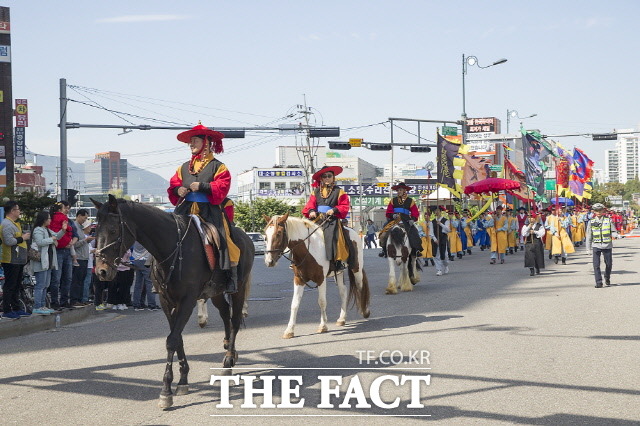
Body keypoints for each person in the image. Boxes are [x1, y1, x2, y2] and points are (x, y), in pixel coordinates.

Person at [167, 122, 240, 294]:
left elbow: (222, 187)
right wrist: (179, 189)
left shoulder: (218, 166)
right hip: (185, 209)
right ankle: (161, 273)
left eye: (194, 141)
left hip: (209, 210)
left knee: (224, 239)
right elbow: (173, 185)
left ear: (205, 143)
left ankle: (230, 278)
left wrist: (203, 186)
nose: (191, 145)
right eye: (190, 142)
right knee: (168, 233)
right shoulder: (183, 167)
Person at [302, 165, 352, 271]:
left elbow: (344, 205)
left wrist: (334, 210)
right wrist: (311, 211)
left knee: (334, 236)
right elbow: (310, 204)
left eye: (329, 176)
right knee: (301, 232)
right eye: (325, 176)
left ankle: (337, 261)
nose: (327, 178)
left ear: (333, 177)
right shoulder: (315, 191)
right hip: (316, 218)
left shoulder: (339, 191)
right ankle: (298, 260)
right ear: (321, 178)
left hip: (331, 219)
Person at [1, 201, 32, 319]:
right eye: (18, 209)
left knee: (17, 285)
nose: (19, 212)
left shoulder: (14, 224)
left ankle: (16, 308)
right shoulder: (7, 224)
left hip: (18, 259)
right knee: (10, 285)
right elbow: (8, 241)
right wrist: (22, 238)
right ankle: (7, 310)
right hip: (10, 259)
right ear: (12, 211)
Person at [30, 211, 65, 315]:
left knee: (46, 285)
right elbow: (40, 242)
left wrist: (63, 230)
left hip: (48, 261)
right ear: (44, 219)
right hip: (41, 261)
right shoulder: (38, 230)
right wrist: (52, 239)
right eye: (49, 218)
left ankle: (43, 305)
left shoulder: (47, 230)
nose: (50, 220)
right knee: (40, 285)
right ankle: (37, 306)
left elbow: (57, 236)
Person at [378, 182, 422, 258]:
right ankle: (384, 249)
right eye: (398, 190)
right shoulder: (393, 200)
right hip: (394, 220)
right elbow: (388, 211)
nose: (399, 192)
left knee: (415, 233)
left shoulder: (410, 201)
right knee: (383, 233)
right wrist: (392, 215)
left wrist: (413, 219)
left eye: (400, 190)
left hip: (407, 220)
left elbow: (415, 212)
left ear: (405, 190)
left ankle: (416, 250)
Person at [48, 201, 78, 309]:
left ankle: (64, 301)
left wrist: (71, 242)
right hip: (58, 250)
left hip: (66, 251)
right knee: (57, 278)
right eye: (65, 207)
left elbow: (75, 235)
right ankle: (55, 302)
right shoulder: (55, 219)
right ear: (60, 209)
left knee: (67, 278)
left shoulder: (66, 220)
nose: (67, 210)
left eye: (68, 208)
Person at [586, 203, 618, 288]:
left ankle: (607, 277)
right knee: (596, 265)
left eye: (600, 210)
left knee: (609, 264)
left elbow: (614, 231)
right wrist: (588, 248)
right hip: (596, 245)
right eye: (596, 210)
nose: (598, 212)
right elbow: (589, 236)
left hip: (607, 245)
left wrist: (615, 235)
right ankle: (598, 282)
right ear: (594, 211)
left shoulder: (608, 220)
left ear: (603, 210)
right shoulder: (591, 222)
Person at [70, 209, 95, 307]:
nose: (85, 220)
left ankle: (80, 299)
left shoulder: (80, 227)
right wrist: (85, 240)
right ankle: (74, 299)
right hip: (78, 257)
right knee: (76, 280)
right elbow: (74, 244)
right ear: (79, 216)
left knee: (82, 280)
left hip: (85, 258)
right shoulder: (74, 227)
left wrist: (87, 241)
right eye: (85, 218)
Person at [131, 241, 159, 311]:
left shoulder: (136, 240)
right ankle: (152, 305)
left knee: (138, 283)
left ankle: (137, 304)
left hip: (137, 260)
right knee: (149, 283)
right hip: (146, 260)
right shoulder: (145, 239)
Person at [521, 211, 546, 276]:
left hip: (537, 242)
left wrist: (534, 232)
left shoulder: (539, 226)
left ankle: (537, 268)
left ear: (535, 218)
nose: (530, 219)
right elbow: (524, 234)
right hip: (529, 243)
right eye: (529, 217)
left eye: (532, 217)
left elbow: (542, 233)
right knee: (530, 256)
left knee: (537, 256)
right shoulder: (525, 226)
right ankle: (531, 269)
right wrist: (529, 227)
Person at [431, 206, 450, 276]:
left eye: (438, 210)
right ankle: (439, 269)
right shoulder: (432, 221)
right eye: (435, 211)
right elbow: (431, 232)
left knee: (444, 255)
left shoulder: (445, 220)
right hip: (435, 239)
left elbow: (448, 230)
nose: (437, 212)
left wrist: (441, 224)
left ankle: (446, 265)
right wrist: (434, 239)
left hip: (443, 238)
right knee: (436, 254)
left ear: (441, 211)